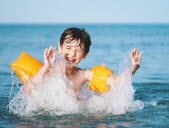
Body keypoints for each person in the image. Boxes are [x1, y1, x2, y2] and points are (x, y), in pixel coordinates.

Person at [23, 27, 143, 97]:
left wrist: (133, 68)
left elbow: (115, 83)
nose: (72, 54)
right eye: (68, 48)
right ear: (60, 47)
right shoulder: (49, 71)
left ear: (85, 55)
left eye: (78, 50)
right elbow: (27, 90)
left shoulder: (83, 74)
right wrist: (45, 67)